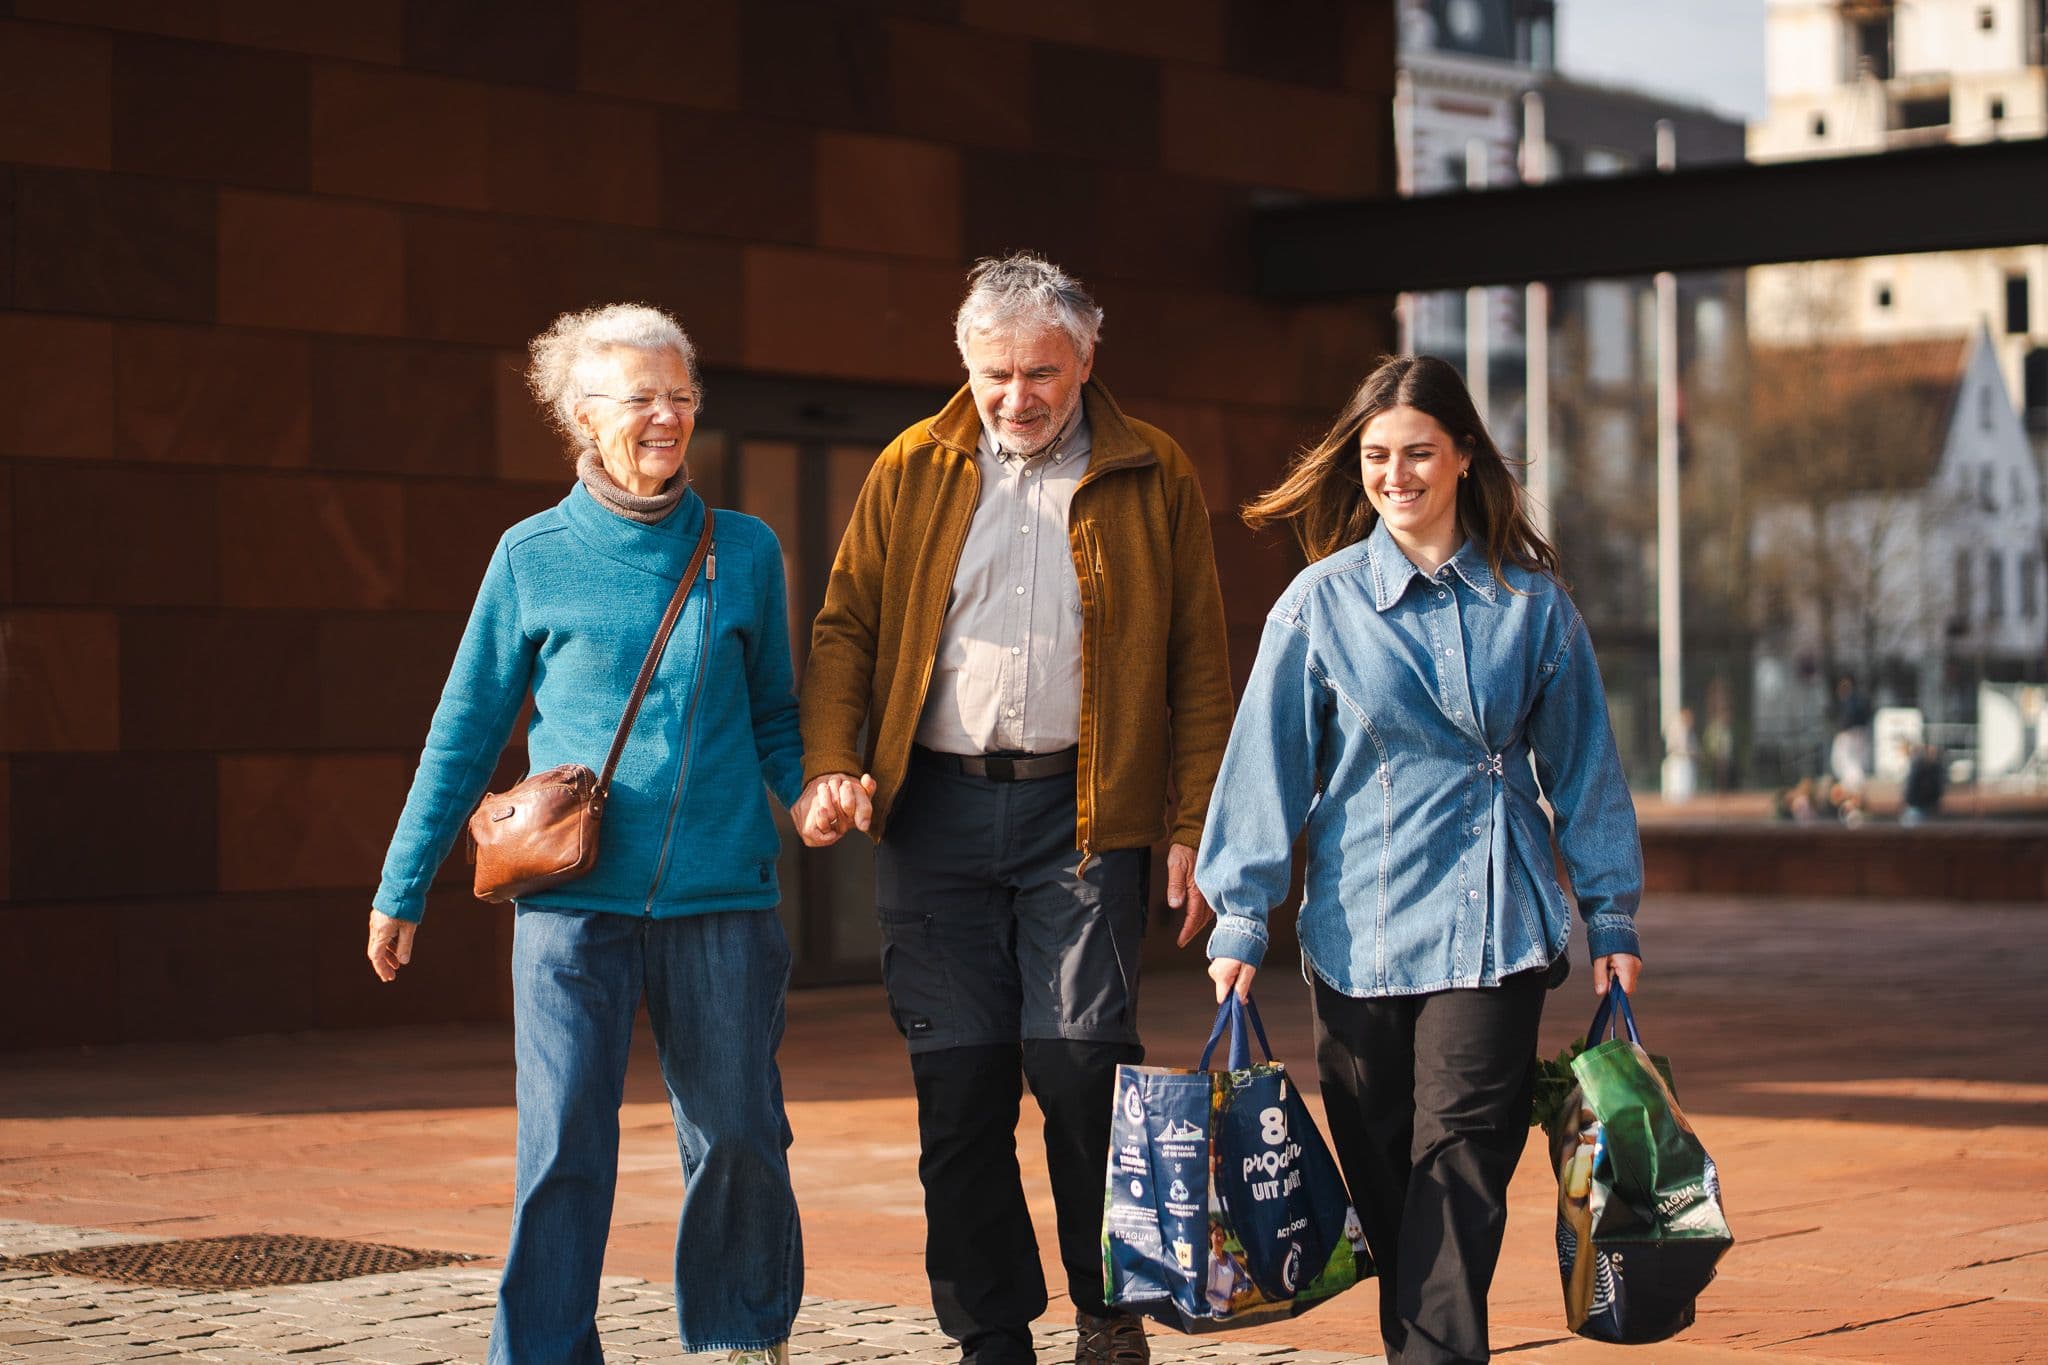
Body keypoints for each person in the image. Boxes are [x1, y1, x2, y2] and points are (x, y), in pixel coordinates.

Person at [794, 253, 1234, 1365]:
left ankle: (1104, 1306)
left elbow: (1196, 658)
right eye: (995, 373)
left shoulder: (1152, 471)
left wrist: (1192, 822)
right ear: (965, 365)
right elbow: (845, 623)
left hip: (1082, 817)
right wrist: (836, 758)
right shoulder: (913, 465)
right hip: (934, 814)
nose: (1016, 397)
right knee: (959, 1090)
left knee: (1082, 1069)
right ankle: (988, 1330)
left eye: (1041, 371)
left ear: (1087, 358)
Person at [366, 303, 805, 1365]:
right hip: (568, 906)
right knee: (562, 1143)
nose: (666, 417)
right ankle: (544, 1353)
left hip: (720, 897)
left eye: (680, 396)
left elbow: (778, 716)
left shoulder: (742, 550)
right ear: (579, 416)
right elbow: (466, 733)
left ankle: (741, 1338)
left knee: (740, 1134)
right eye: (640, 398)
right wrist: (402, 884)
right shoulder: (532, 555)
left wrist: (809, 794)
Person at [1196, 355, 1644, 1365]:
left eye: (1416, 455)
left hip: (1496, 931)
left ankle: (1439, 1354)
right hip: (1355, 934)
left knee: (1460, 1164)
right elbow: (1263, 770)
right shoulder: (1316, 606)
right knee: (1385, 1177)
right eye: (1374, 457)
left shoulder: (1531, 610)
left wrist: (1612, 919)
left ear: (1462, 458)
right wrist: (1238, 916)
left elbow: (1585, 773)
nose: (1394, 476)